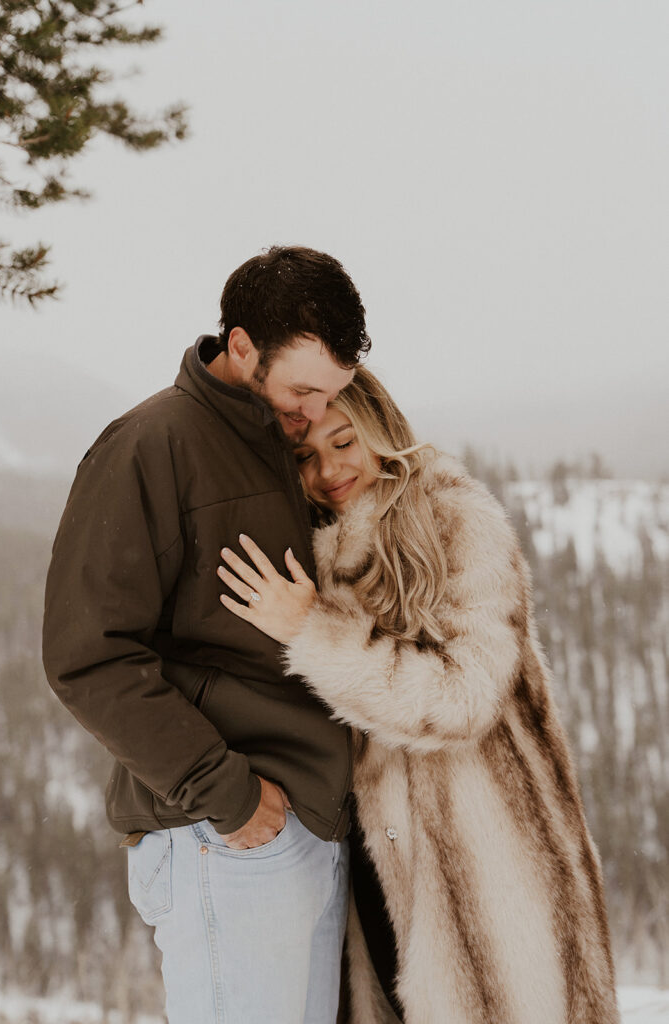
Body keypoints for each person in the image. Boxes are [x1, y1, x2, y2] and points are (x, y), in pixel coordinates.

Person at [217, 366, 621, 1024]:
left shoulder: (456, 522)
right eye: (304, 456)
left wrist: (309, 631)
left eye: (343, 441)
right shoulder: (315, 553)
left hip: (496, 895)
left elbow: (462, 700)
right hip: (383, 885)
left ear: (380, 428)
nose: (326, 471)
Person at [42, 246, 372, 1024]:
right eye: (303, 389)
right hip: (227, 835)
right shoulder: (151, 445)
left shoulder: (284, 448)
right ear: (241, 346)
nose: (318, 414)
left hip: (308, 825)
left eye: (335, 395)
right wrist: (223, 794)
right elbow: (86, 656)